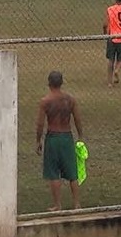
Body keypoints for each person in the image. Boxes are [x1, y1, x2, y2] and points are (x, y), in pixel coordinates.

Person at [35, 71, 85, 211]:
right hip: (67, 137)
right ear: (62, 83)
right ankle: (76, 204)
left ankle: (57, 205)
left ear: (49, 83)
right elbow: (77, 119)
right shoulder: (70, 100)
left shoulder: (45, 101)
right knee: (72, 172)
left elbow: (40, 124)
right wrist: (80, 136)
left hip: (53, 138)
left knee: (53, 172)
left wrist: (38, 140)